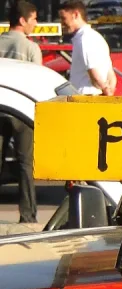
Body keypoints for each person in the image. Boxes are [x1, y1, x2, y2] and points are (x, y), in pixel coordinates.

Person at [0, 0, 40, 223]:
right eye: (34, 18)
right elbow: (36, 81)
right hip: (22, 113)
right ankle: (27, 215)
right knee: (26, 164)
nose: (35, 23)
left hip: (0, 109)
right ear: (23, 20)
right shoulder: (30, 47)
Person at [59, 0, 116, 96]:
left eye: (64, 18)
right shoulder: (97, 37)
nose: (61, 23)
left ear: (76, 14)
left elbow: (94, 74)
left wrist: (105, 90)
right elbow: (111, 76)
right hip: (97, 98)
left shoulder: (84, 39)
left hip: (85, 98)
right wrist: (108, 95)